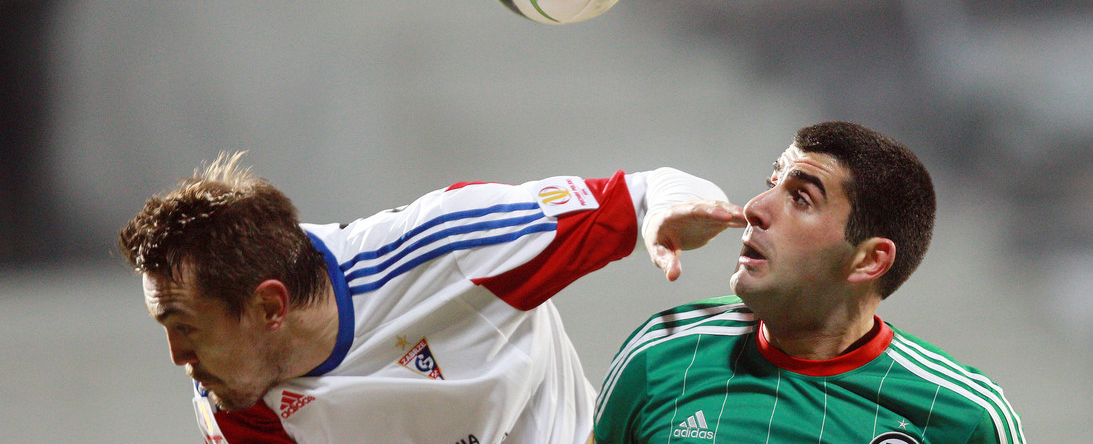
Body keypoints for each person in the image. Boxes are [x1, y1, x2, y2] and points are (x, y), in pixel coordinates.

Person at [118, 152, 745, 444]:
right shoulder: (237, 408)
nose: (178, 357)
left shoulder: (449, 247)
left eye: (185, 327)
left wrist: (664, 209)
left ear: (271, 307)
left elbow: (642, 191)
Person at [594, 121, 1025, 444]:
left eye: (801, 198)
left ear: (870, 259)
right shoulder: (660, 353)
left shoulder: (966, 417)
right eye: (772, 184)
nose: (755, 208)